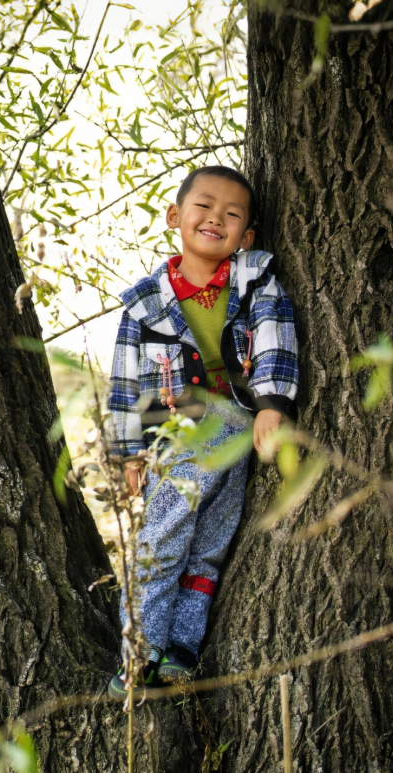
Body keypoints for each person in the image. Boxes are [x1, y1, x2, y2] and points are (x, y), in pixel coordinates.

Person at [107, 165, 298, 696]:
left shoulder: (254, 281)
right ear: (175, 216)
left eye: (232, 215)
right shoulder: (145, 304)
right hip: (178, 429)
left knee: (211, 542)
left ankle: (179, 648)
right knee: (163, 537)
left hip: (237, 424)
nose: (217, 218)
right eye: (204, 207)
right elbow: (127, 380)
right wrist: (130, 453)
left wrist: (271, 403)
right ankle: (137, 652)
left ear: (247, 235)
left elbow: (275, 337)